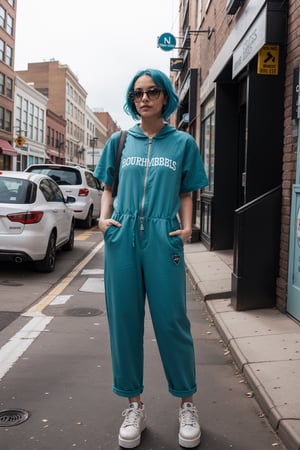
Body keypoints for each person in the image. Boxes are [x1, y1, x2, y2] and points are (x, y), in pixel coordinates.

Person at [94, 68, 208, 449]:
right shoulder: (119, 141)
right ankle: (134, 406)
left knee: (172, 321)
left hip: (163, 236)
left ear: (165, 97)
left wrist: (187, 228)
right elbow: (108, 185)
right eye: (138, 92)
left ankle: (187, 404)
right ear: (133, 98)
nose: (144, 98)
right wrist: (103, 217)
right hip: (121, 235)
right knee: (124, 321)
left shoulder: (182, 144)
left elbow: (188, 191)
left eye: (152, 91)